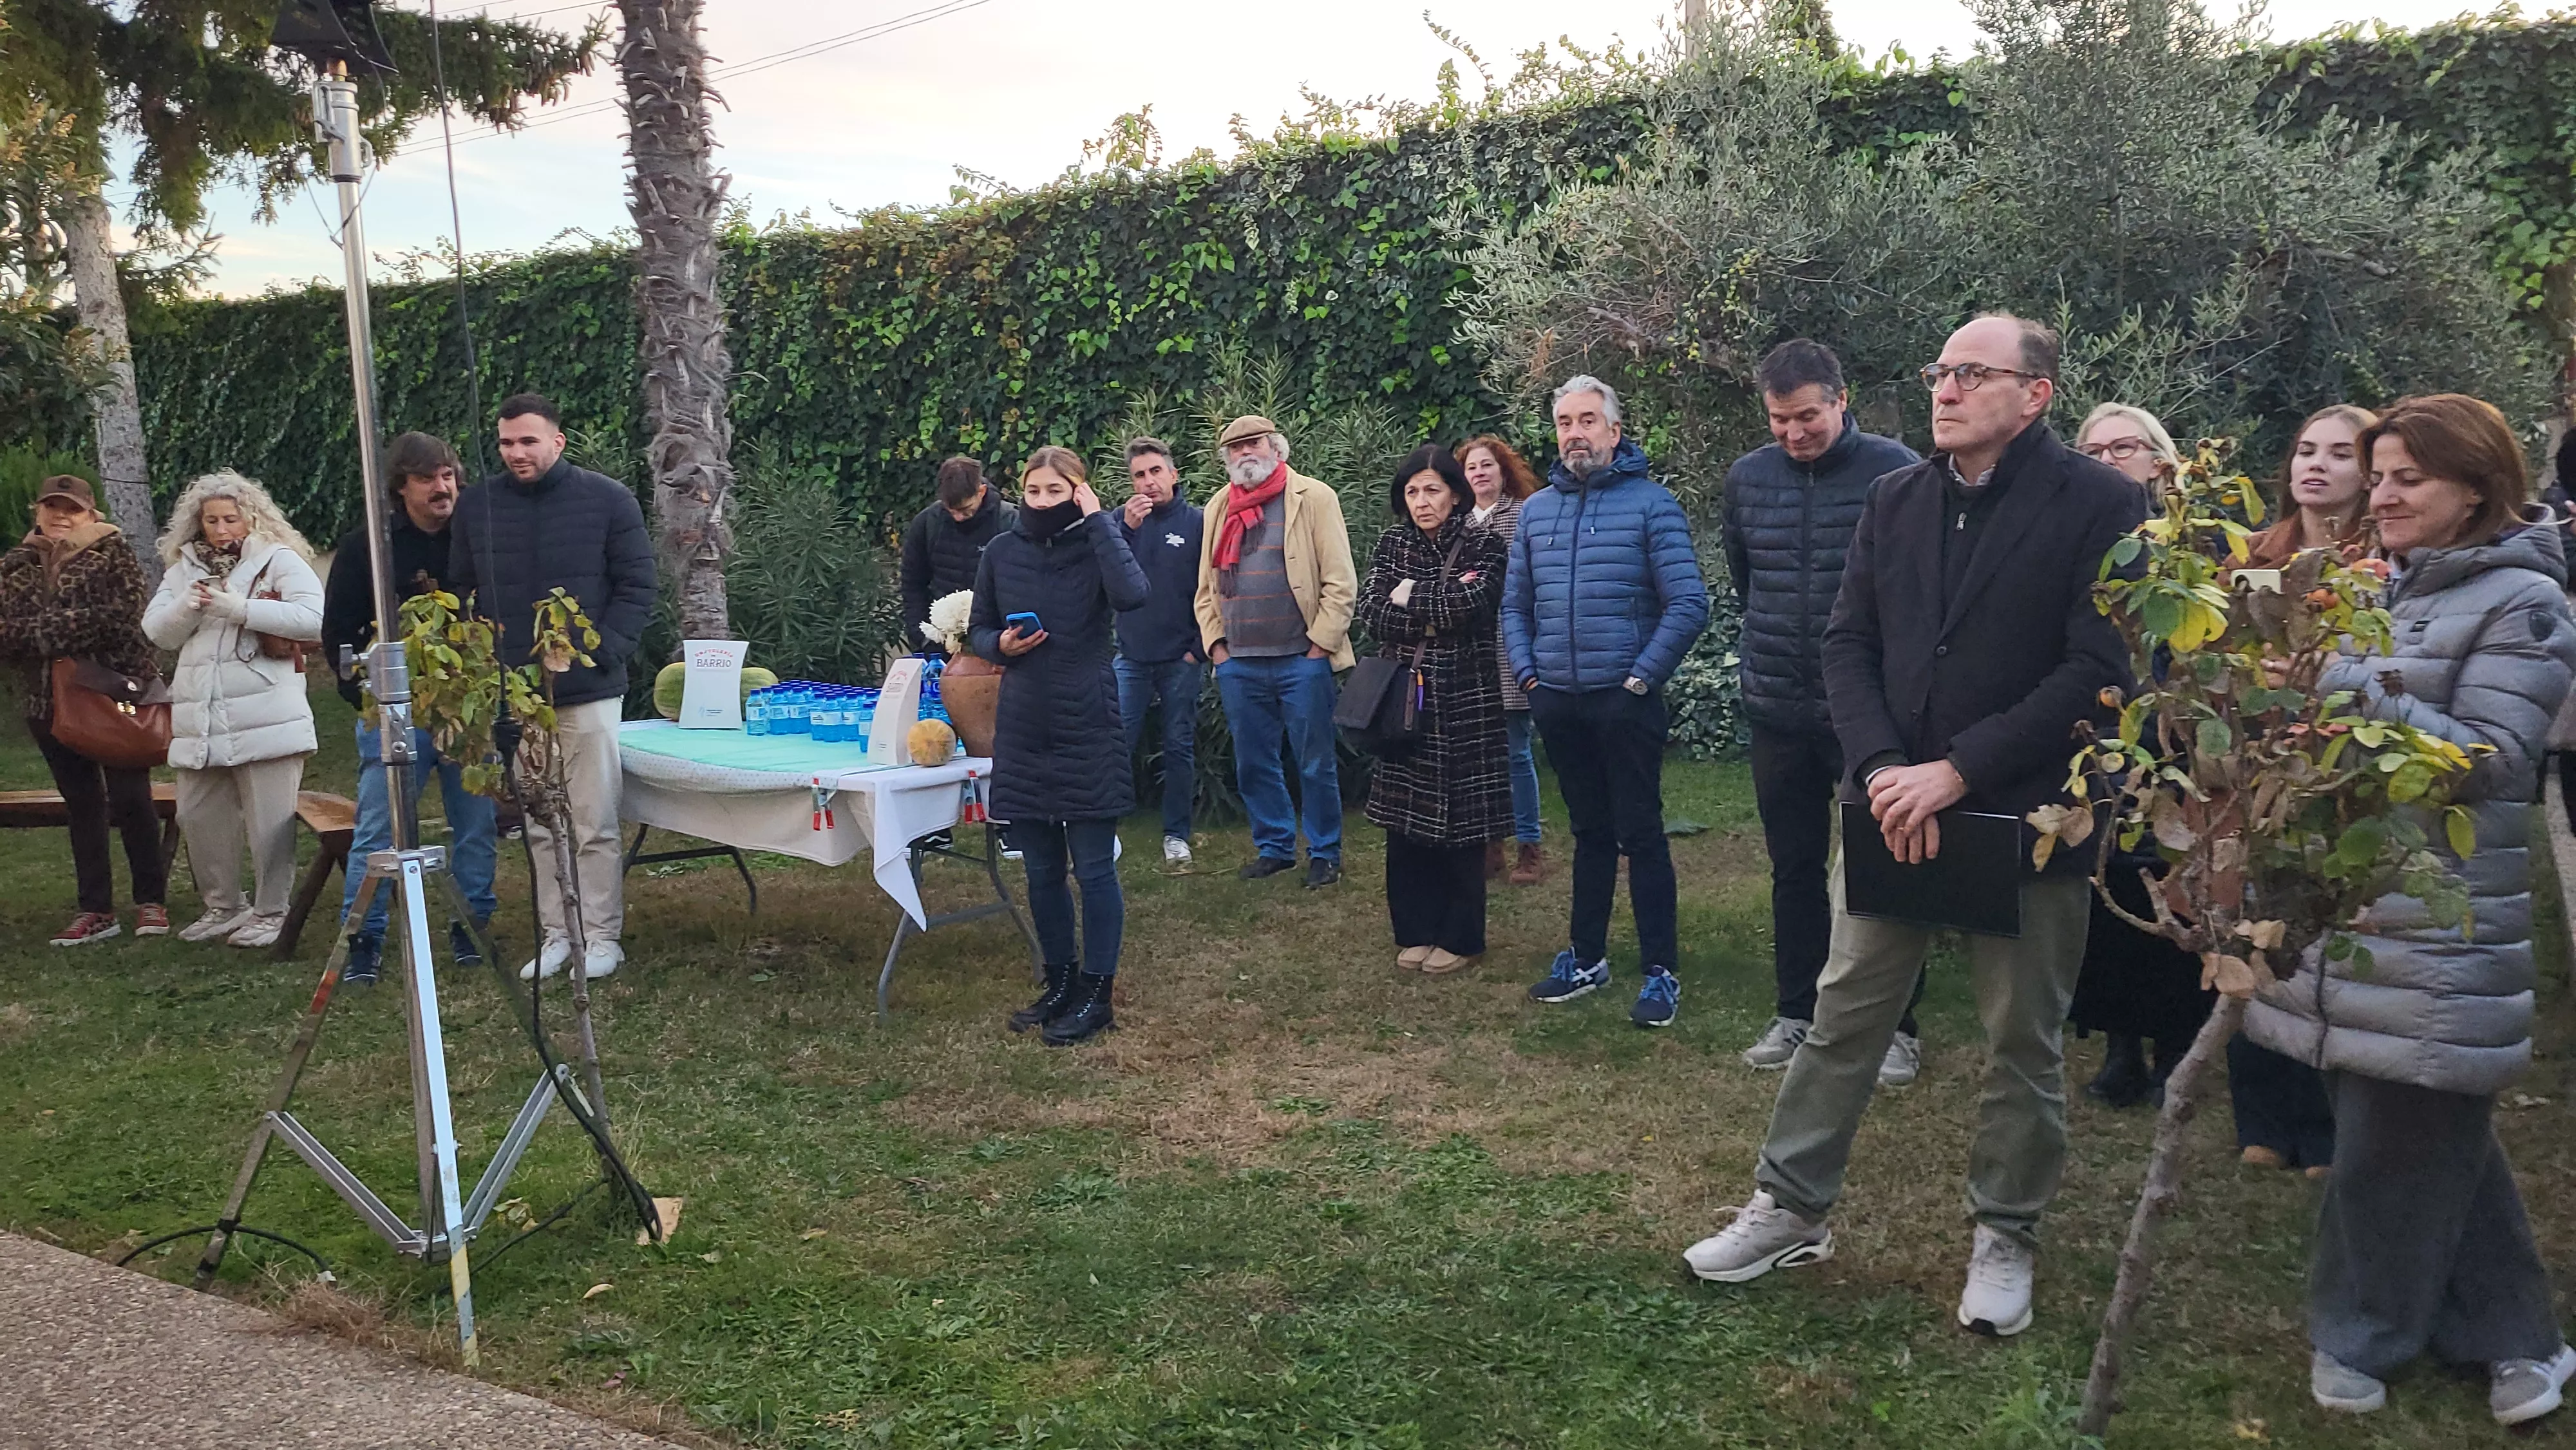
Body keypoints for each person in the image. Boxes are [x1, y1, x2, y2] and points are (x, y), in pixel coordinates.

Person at [1683, 315, 2145, 1342]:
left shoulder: (2103, 503)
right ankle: (1790, 1207)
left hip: (2029, 813)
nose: (1945, 389)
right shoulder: (1897, 499)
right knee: (1843, 1015)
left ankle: (2005, 1234)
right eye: (1941, 370)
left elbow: (2099, 670)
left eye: (1973, 374)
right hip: (1894, 809)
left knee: (2022, 1039)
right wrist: (1886, 769)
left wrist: (1958, 769)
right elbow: (1847, 642)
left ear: (2036, 393)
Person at [2244, 393, 2576, 1426]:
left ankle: (2362, 1331)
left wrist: (2336, 683)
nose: (2380, 494)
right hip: (2359, 898)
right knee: (2427, 1120)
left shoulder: (2525, 603)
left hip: (2441, 911)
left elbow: (2493, 758)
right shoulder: (2380, 583)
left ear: (2475, 488)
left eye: (2406, 479)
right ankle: (2519, 1340)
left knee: (2394, 1138)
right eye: (2378, 475)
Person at [1722, 339, 1927, 1082]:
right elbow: (1747, 579)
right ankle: (1796, 1012)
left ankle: (1895, 1027)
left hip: (1869, 712)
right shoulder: (1747, 478)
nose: (1793, 432)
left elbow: (1920, 588)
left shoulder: (1896, 471)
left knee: (1884, 867)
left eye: (1807, 416)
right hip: (1778, 704)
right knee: (1794, 867)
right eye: (1779, 420)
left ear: (1841, 400)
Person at [1505, 375, 1710, 1028]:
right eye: (1564, 422)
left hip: (1626, 702)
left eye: (1588, 420)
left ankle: (1660, 971)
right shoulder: (1537, 512)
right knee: (1589, 833)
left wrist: (1639, 681)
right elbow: (1514, 607)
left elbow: (1688, 603)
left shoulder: (1652, 505)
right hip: (1559, 702)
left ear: (1614, 432)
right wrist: (1531, 681)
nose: (1575, 433)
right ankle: (1586, 958)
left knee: (1641, 834)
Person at [449, 393, 656, 984]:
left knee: (593, 820)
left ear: (557, 442)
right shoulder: (478, 506)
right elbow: (462, 589)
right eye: (506, 443)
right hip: (516, 693)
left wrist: (601, 653)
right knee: (539, 822)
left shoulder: (608, 500)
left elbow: (638, 586)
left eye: (528, 441)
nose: (516, 452)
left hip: (589, 692)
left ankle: (601, 936)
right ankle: (557, 934)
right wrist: (482, 663)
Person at [2064, 403, 2215, 1109]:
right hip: (2095, 736)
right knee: (2107, 890)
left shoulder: (2194, 542)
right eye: (2092, 451)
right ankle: (2119, 1044)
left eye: (2121, 448)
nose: (2107, 461)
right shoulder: (2076, 542)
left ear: (2160, 460)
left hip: (2175, 738)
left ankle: (2175, 1046)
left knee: (2172, 884)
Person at [971, 446, 1149, 1046]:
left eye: (1056, 490)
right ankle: (1060, 981)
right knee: (1042, 869)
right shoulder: (1001, 551)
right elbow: (978, 627)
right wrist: (999, 645)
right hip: (1025, 723)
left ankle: (1098, 993)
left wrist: (1099, 520)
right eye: (1034, 490)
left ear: (1078, 492)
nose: (1043, 501)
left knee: (1094, 869)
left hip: (1087, 718)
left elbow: (1133, 594)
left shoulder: (1097, 542)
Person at [319, 431, 500, 986]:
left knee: (476, 822)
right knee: (379, 827)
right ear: (401, 486)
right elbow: (339, 631)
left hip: (467, 705)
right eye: (427, 479)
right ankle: (364, 938)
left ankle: (472, 926)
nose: (442, 488)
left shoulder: (481, 536)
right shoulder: (369, 548)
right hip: (396, 707)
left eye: (448, 476)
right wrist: (367, 699)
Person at [144, 471, 325, 950]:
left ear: (251, 517)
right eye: (212, 521)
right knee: (197, 816)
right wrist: (188, 605)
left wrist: (239, 609)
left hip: (268, 711)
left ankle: (272, 910)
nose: (222, 529)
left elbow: (313, 619)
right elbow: (158, 633)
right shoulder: (182, 569)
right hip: (200, 715)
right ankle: (224, 906)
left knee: (270, 823)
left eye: (231, 518)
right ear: (197, 524)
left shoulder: (277, 559)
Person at [1357, 445, 1511, 972]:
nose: (1422, 501)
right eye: (1412, 492)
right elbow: (1372, 613)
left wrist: (1409, 595)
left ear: (1455, 494)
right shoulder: (1392, 543)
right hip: (1403, 696)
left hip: (1465, 699)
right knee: (1404, 822)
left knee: (1463, 824)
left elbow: (1472, 605)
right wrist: (1432, 604)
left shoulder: (1485, 544)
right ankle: (1416, 929)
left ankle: (1462, 938)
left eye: (1432, 490)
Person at [0, 475, 168, 945]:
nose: (60, 515)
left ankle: (151, 901)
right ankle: (95, 909)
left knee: (131, 798)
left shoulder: (114, 553)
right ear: (37, 511)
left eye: (71, 508)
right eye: (52, 506)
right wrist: (60, 630)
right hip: (46, 702)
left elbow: (122, 620)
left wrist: (36, 632)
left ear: (92, 515)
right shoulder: (15, 563)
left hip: (110, 694)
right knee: (82, 805)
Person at [1193, 415, 1358, 889]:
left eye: (1255, 443)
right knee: (1253, 762)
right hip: (1239, 662)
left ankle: (1324, 852)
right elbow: (1205, 588)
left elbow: (1340, 581)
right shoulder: (1218, 506)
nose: (1246, 452)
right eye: (1236, 447)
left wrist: (1318, 647)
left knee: (1315, 762)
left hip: (1300, 659)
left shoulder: (1314, 497)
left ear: (1277, 448)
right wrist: (1217, 649)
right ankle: (1275, 847)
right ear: (1227, 459)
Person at [1455, 434, 1546, 886]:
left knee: (1514, 751)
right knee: (1477, 756)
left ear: (1502, 470)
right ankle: (1489, 845)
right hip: (1467, 651)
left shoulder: (1524, 513)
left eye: (1487, 465)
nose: (1479, 473)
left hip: (1510, 645)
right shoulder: (1455, 522)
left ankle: (1529, 846)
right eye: (1471, 467)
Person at [1112, 437, 1205, 869]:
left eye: (1155, 472)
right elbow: (1102, 576)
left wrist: (1198, 650)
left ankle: (1176, 835)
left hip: (1180, 658)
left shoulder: (1198, 523)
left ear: (1173, 474)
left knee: (1179, 747)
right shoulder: (1118, 522)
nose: (1148, 482)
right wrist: (1127, 530)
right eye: (1139, 475)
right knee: (1115, 745)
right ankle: (1103, 832)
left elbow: (1214, 589)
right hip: (1130, 657)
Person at [902, 456, 1016, 653]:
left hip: (996, 640)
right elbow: (912, 583)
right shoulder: (927, 523)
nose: (958, 517)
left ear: (981, 492)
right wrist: (924, 638)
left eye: (965, 510)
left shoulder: (1010, 522)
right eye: (950, 510)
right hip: (941, 641)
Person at [2246, 404, 2378, 567]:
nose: (2316, 464)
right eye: (2306, 452)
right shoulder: (2249, 554)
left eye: (2341, 455)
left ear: (2371, 475)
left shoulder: (2386, 555)